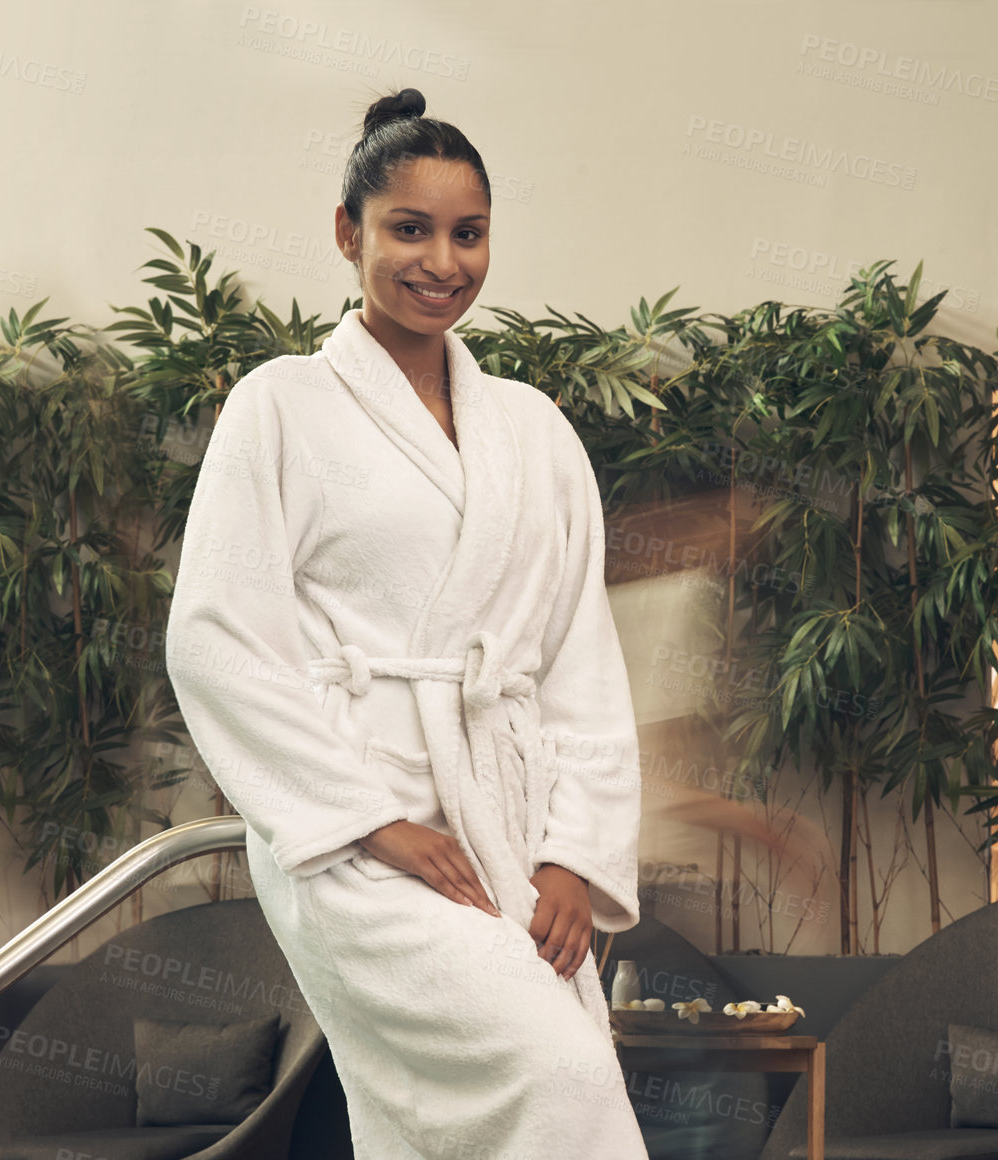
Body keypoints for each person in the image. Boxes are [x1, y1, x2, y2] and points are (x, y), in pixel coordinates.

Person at [163, 87, 650, 1160]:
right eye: (410, 229)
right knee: (558, 1080)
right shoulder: (280, 406)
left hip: (507, 827)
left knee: (467, 1120)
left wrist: (574, 856)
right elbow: (214, 636)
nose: (443, 261)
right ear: (349, 232)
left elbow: (577, 658)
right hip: (352, 834)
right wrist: (365, 815)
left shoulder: (535, 428)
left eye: (468, 233)